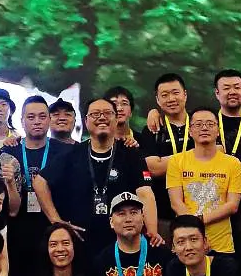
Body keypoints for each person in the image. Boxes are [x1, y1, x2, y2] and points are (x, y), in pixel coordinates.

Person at [36, 97, 161, 257]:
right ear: (86, 121)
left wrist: (152, 231)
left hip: (122, 242)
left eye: (107, 113)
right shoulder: (72, 154)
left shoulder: (131, 154)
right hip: (80, 242)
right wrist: (56, 221)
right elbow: (40, 182)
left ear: (116, 119)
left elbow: (145, 193)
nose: (102, 117)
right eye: (95, 114)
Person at [0, 96, 69, 276]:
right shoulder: (9, 151)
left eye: (42, 116)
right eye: (31, 117)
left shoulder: (65, 152)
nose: (37, 121)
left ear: (49, 119)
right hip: (17, 232)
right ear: (22, 121)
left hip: (53, 231)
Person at [167, 107, 241, 255]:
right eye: (198, 124)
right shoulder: (176, 161)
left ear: (218, 130)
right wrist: (195, 231)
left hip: (222, 246)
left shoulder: (233, 163)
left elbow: (232, 205)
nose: (204, 128)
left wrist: (200, 220)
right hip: (186, 244)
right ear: (190, 131)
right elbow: (176, 203)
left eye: (210, 124)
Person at [140, 73, 193, 240]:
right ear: (157, 100)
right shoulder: (153, 130)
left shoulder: (200, 123)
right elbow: (154, 168)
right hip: (164, 215)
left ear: (185, 94)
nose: (171, 99)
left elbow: (217, 153)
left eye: (175, 93)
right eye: (164, 95)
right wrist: (198, 156)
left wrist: (165, 162)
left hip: (202, 209)